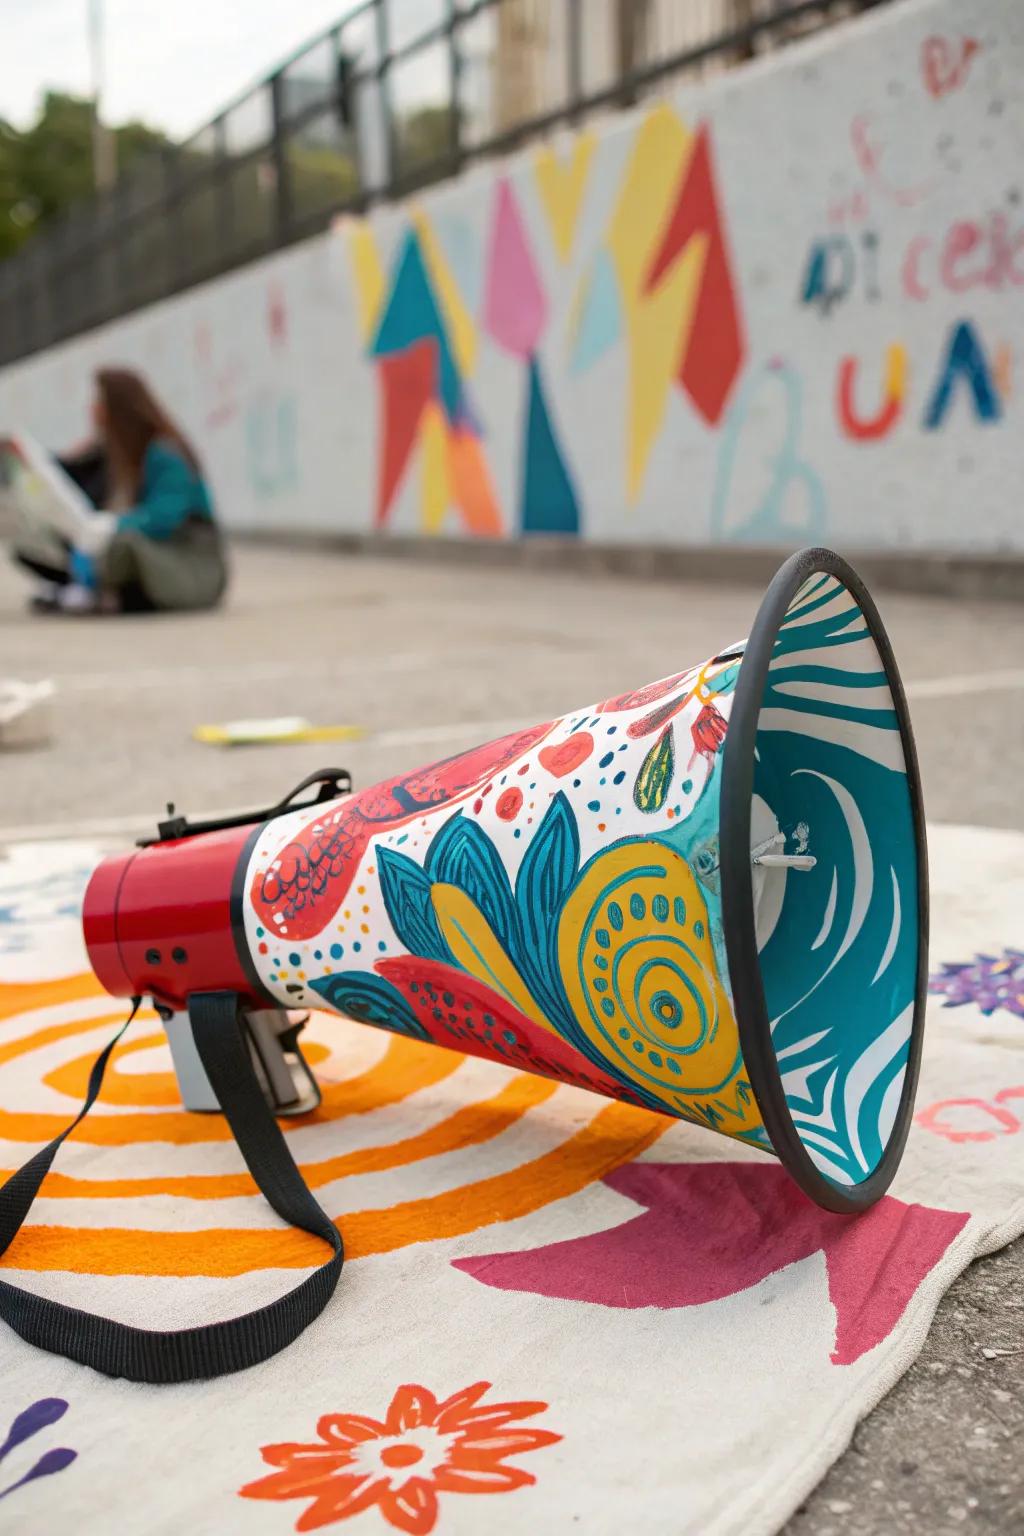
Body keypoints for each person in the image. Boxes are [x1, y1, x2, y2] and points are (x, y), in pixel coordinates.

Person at [16, 367, 228, 614]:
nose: (94, 411)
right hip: (149, 555)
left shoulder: (165, 454)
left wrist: (112, 525)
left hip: (186, 562)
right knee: (44, 542)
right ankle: (87, 589)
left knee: (122, 544)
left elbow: (164, 517)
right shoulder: (117, 454)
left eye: (99, 403)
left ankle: (97, 593)